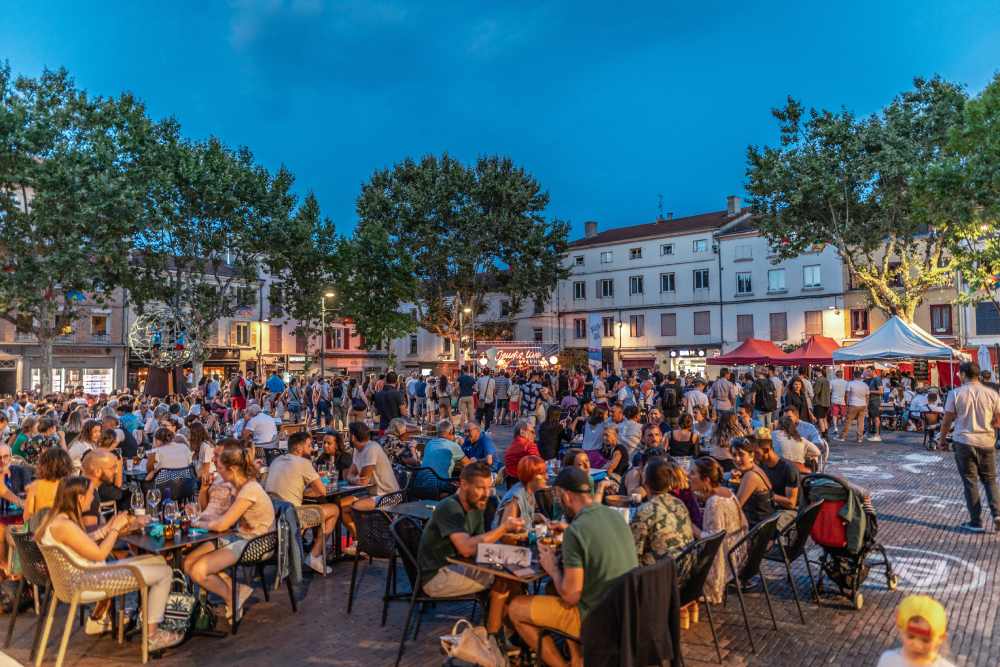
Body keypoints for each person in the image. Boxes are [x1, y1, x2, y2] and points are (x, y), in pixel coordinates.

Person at [508, 466, 638, 667]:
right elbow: (592, 536)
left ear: (566, 496)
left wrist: (552, 567)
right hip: (627, 611)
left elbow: (570, 596)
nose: (559, 502)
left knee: (516, 608)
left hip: (598, 620)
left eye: (558, 497)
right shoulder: (613, 515)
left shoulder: (575, 533)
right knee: (552, 588)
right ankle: (577, 659)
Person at [38, 476, 180, 649]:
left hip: (84, 577)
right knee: (165, 572)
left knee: (157, 561)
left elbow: (85, 542)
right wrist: (114, 528)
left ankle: (148, 618)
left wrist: (110, 528)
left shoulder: (58, 520)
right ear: (80, 498)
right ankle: (152, 636)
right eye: (91, 494)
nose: (93, 498)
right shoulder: (64, 525)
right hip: (90, 582)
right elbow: (99, 554)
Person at [416, 462, 523, 633]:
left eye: (489, 487)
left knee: (516, 573)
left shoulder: (476, 505)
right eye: (480, 488)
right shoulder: (449, 507)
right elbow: (466, 548)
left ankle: (509, 630)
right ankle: (494, 639)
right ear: (463, 484)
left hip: (458, 565)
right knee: (503, 579)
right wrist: (503, 528)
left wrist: (510, 556)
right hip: (436, 577)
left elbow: (480, 545)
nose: (486, 494)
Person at [184, 443, 276, 623]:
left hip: (256, 542)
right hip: (239, 536)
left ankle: (232, 598)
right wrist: (200, 517)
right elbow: (221, 521)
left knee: (198, 571)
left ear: (232, 469)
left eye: (219, 468)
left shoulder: (249, 489)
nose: (217, 472)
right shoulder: (237, 486)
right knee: (188, 563)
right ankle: (237, 591)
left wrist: (196, 521)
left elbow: (222, 524)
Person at [264, 431, 340, 575]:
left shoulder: (277, 460)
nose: (312, 449)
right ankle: (314, 556)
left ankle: (295, 552)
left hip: (274, 513)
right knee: (334, 509)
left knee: (305, 507)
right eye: (309, 445)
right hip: (291, 515)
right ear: (299, 448)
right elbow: (322, 491)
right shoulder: (304, 463)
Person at [939, 361, 1000, 533]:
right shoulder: (991, 393)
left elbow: (947, 420)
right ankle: (997, 515)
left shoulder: (956, 393)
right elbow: (998, 419)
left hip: (964, 441)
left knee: (970, 481)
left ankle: (976, 521)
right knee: (990, 480)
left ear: (963, 374)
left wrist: (942, 439)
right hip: (987, 441)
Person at [690, 457, 746, 604]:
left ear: (706, 479)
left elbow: (711, 540)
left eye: (693, 473)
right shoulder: (728, 492)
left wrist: (690, 526)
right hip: (737, 550)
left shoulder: (714, 502)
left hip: (724, 559)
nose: (689, 476)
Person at [630, 457, 694, 565]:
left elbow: (633, 552)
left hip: (662, 575)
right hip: (686, 568)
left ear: (645, 482)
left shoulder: (645, 511)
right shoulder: (678, 503)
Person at [877, 594, 955, 667]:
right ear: (900, 629)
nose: (917, 645)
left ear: (941, 638)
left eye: (926, 640)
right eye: (911, 637)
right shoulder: (888, 661)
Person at [753, 429, 799, 528]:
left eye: (756, 452)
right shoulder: (761, 464)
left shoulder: (788, 468)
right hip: (768, 507)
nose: (753, 456)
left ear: (766, 450)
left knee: (765, 528)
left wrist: (768, 495)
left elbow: (791, 503)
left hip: (786, 512)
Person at [730, 436, 776, 527]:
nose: (737, 459)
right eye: (734, 455)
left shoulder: (750, 476)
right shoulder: (756, 469)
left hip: (757, 531)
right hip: (764, 526)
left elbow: (735, 507)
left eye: (741, 454)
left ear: (751, 455)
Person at [24, 446, 72, 524]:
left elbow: (27, 515)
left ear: (43, 465)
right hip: (64, 529)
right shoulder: (71, 485)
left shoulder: (35, 486)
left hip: (40, 529)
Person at [496, 455, 547, 525]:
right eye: (542, 474)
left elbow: (522, 517)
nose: (546, 477)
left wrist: (539, 517)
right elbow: (505, 531)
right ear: (530, 476)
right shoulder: (515, 499)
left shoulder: (529, 491)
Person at [503, 420, 541, 489]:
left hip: (511, 484)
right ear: (522, 432)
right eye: (532, 432)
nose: (535, 436)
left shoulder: (511, 446)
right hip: (525, 484)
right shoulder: (529, 445)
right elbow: (537, 464)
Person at [844, 370, 870, 443]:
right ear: (860, 376)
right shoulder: (865, 385)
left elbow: (847, 394)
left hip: (853, 404)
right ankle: (860, 438)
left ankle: (843, 436)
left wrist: (846, 403)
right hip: (863, 404)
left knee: (848, 421)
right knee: (861, 422)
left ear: (853, 376)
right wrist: (866, 406)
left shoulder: (850, 383)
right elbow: (867, 396)